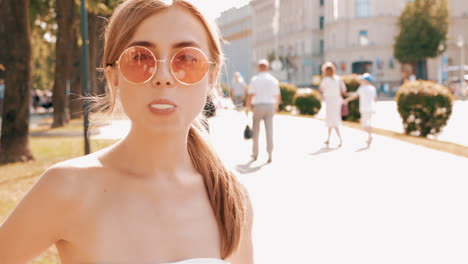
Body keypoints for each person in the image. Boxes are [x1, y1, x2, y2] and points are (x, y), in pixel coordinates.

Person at [0, 1, 254, 263]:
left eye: (187, 59)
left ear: (212, 76)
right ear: (114, 77)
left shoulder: (232, 198)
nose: (163, 76)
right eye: (140, 58)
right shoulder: (66, 187)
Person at [246, 59, 280, 163]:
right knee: (269, 131)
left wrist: (247, 107)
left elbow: (251, 95)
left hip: (258, 106)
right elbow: (278, 96)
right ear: (268, 67)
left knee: (256, 131)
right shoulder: (273, 80)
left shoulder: (255, 79)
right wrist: (276, 106)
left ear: (259, 68)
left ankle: (255, 154)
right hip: (270, 105)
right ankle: (270, 153)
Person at [343, 73, 377, 146]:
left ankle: (370, 136)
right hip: (371, 108)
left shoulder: (362, 88)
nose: (361, 81)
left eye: (362, 80)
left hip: (364, 108)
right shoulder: (372, 88)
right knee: (368, 122)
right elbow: (375, 99)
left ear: (366, 81)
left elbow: (355, 96)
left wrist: (346, 100)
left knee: (364, 125)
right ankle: (370, 136)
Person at [319, 62, 346, 147]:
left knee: (331, 121)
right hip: (337, 101)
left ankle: (338, 139)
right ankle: (330, 138)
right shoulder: (338, 79)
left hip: (329, 101)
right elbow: (344, 90)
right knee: (335, 120)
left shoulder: (325, 80)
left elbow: (321, 89)